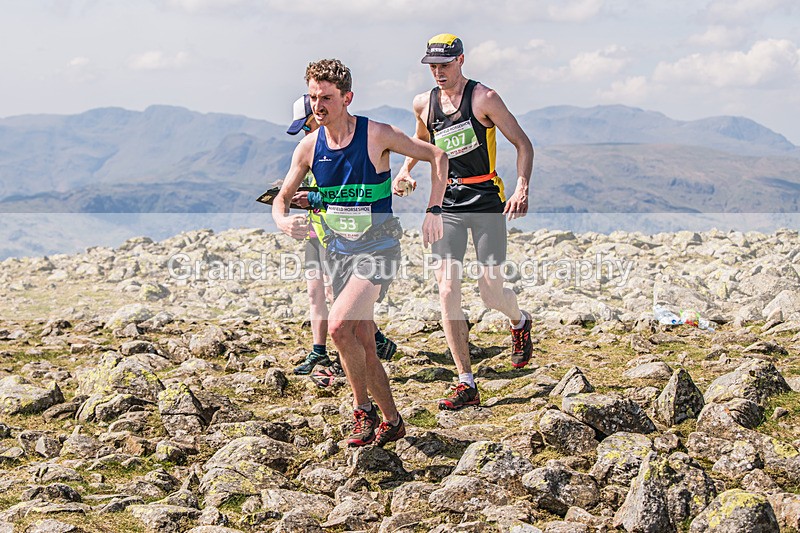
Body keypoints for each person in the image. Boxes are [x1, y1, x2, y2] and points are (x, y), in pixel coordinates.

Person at [273, 59, 448, 446]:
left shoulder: (377, 135)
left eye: (327, 98)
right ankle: (392, 420)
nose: (318, 106)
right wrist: (284, 221)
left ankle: (362, 411)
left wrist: (433, 209)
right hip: (338, 252)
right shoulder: (308, 147)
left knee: (337, 327)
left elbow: (438, 156)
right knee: (364, 343)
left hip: (379, 247)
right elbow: (281, 200)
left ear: (347, 98)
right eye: (313, 97)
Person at [396, 33, 535, 411]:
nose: (438, 73)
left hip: (486, 199)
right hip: (449, 203)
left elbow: (523, 143)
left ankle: (519, 321)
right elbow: (421, 141)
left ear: (460, 60)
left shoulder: (484, 98)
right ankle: (466, 381)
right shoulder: (423, 103)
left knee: (491, 292)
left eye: (444, 65)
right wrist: (405, 171)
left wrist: (521, 187)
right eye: (432, 67)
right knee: (447, 289)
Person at [284, 95, 398, 377]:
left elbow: (346, 195)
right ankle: (319, 351)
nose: (305, 131)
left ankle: (369, 342)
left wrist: (313, 197)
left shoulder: (347, 143)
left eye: (305, 124)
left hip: (343, 237)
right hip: (316, 232)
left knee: (341, 298)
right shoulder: (309, 148)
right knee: (315, 291)